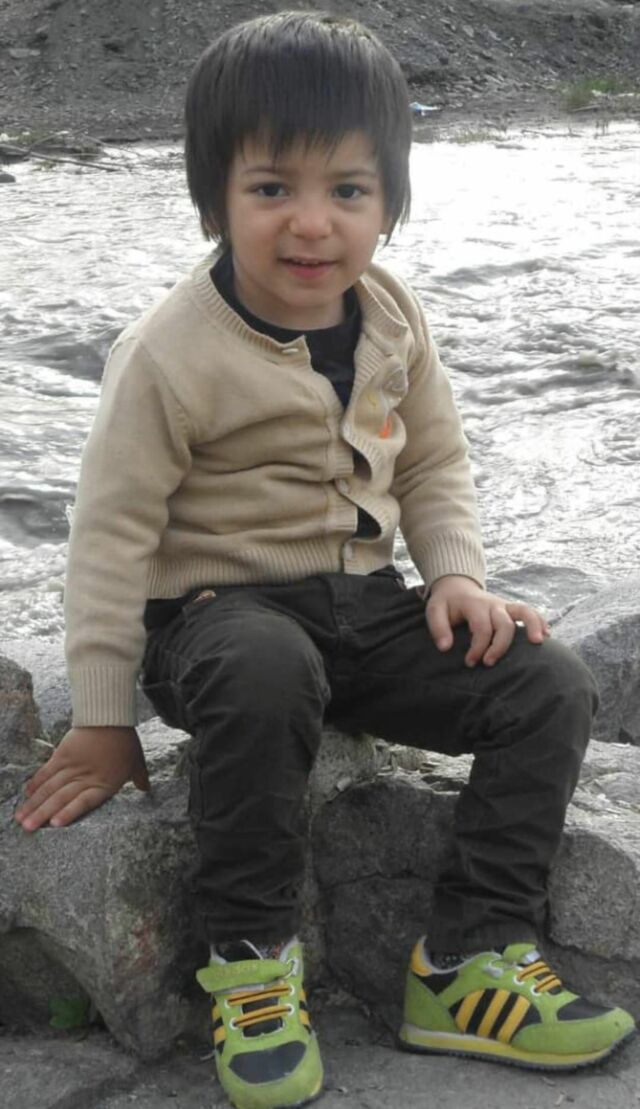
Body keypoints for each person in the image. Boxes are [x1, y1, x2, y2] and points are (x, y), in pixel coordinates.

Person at [14, 11, 635, 1109]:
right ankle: (252, 965)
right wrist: (104, 717)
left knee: (547, 681)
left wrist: (455, 575)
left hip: (370, 608)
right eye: (271, 188)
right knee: (265, 666)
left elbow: (432, 460)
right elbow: (108, 538)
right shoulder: (166, 351)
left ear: (390, 200)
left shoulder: (392, 313)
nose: (312, 222)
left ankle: (467, 959)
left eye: (348, 189)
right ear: (213, 198)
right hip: (218, 620)